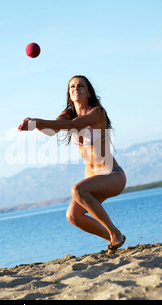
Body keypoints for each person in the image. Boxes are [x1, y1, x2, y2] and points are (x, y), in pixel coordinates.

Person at [18, 75, 126, 254]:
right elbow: (51, 130)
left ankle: (114, 232)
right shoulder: (68, 114)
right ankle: (115, 238)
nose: (76, 88)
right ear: (69, 93)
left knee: (77, 190)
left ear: (89, 92)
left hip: (112, 175)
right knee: (73, 216)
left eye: (80, 86)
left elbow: (71, 125)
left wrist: (35, 122)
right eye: (72, 87)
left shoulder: (97, 112)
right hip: (92, 179)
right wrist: (33, 125)